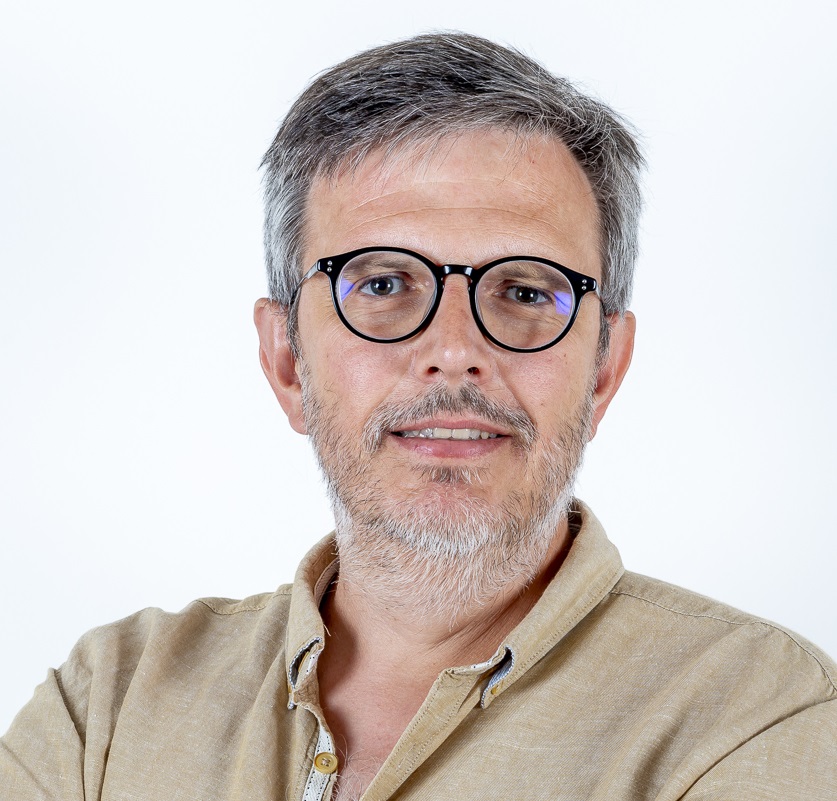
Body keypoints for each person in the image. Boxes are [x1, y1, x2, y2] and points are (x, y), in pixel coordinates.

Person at [2, 31, 836, 801]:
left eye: (523, 292)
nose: (453, 350)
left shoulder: (754, 716)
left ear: (602, 371)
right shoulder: (108, 704)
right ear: (287, 360)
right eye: (381, 282)